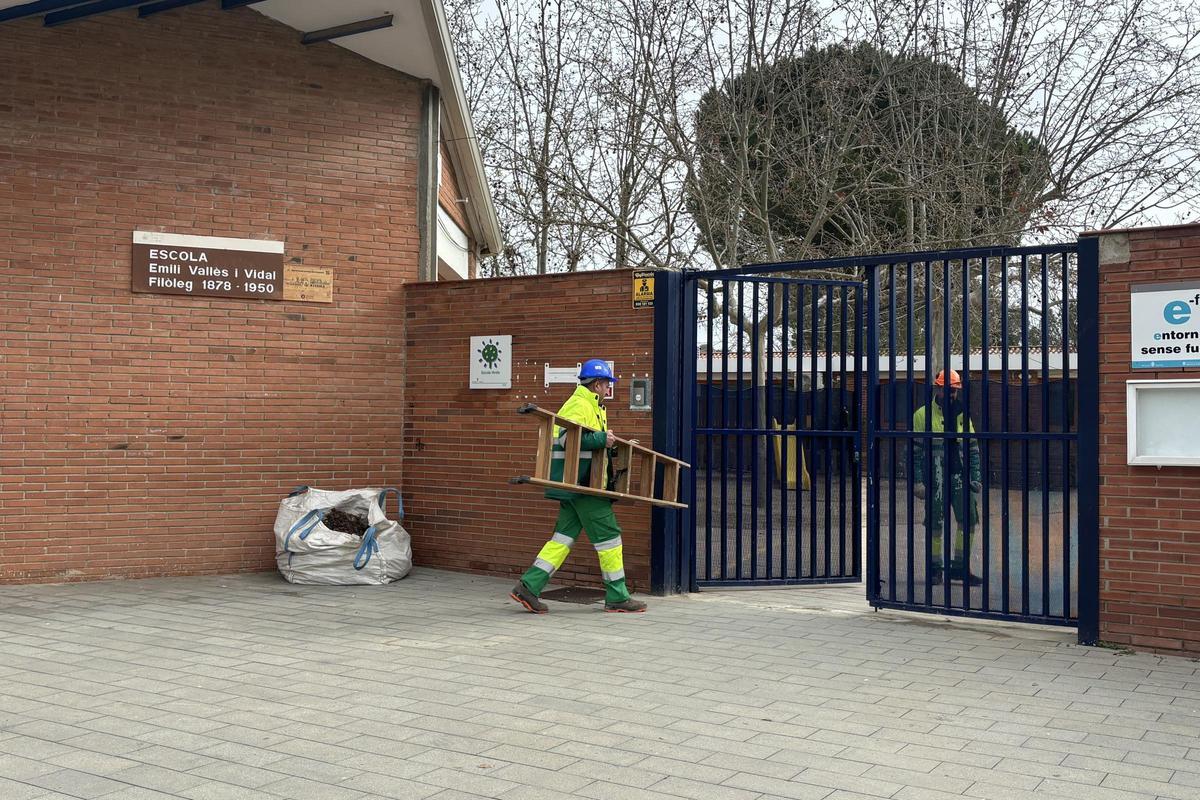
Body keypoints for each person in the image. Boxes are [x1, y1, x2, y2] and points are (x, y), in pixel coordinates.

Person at [510, 359, 647, 614]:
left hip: (576, 485)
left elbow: (589, 444)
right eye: (607, 384)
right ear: (597, 384)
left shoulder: (592, 405)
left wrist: (611, 443)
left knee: (562, 539)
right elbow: (565, 438)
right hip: (584, 487)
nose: (609, 389)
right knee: (609, 538)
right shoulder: (579, 403)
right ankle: (617, 596)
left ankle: (529, 586)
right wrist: (600, 439)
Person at [912, 369, 983, 585]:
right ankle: (935, 569)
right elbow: (915, 452)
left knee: (969, 521)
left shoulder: (963, 414)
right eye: (949, 390)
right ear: (938, 388)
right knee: (935, 524)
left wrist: (976, 476)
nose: (953, 394)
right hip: (936, 478)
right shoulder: (922, 415)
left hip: (961, 476)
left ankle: (960, 568)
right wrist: (917, 481)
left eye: (955, 390)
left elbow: (972, 447)